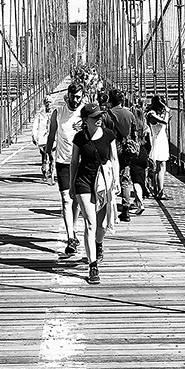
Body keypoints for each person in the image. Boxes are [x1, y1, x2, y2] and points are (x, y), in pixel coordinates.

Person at [69, 103, 119, 285]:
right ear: (85, 120)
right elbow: (74, 162)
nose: (99, 119)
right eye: (95, 117)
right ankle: (93, 265)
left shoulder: (109, 135)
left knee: (102, 225)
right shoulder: (79, 138)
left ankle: (98, 244)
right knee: (90, 224)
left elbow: (114, 159)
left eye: (100, 116)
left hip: (103, 183)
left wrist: (116, 181)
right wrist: (72, 184)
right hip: (84, 181)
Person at [45, 83, 84, 255]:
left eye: (78, 97)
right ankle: (70, 237)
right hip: (63, 162)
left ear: (82, 97)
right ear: (68, 95)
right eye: (73, 96)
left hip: (81, 162)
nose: (75, 100)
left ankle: (73, 228)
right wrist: (46, 158)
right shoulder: (58, 113)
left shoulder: (85, 113)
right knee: (66, 199)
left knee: (77, 200)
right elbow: (51, 136)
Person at [107, 89, 137, 222]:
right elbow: (135, 133)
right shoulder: (130, 114)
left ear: (110, 100)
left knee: (110, 178)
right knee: (125, 178)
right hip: (126, 150)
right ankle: (126, 209)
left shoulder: (107, 115)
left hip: (111, 150)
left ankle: (111, 208)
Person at [146, 94, 170, 200]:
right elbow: (164, 122)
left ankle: (158, 189)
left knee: (160, 166)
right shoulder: (152, 114)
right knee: (159, 166)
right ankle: (159, 191)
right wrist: (167, 112)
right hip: (157, 140)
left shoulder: (154, 113)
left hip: (161, 139)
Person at [32, 96, 53, 181]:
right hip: (43, 138)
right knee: (44, 155)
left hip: (53, 137)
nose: (48, 104)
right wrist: (34, 135)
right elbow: (35, 125)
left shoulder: (55, 113)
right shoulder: (40, 114)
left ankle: (51, 172)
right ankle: (44, 170)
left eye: (50, 102)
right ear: (44, 104)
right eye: (46, 102)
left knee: (52, 156)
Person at [129, 134, 151, 215]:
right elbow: (149, 144)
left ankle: (140, 204)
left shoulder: (131, 129)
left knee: (136, 182)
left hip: (134, 153)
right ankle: (137, 201)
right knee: (141, 179)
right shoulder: (146, 129)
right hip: (143, 153)